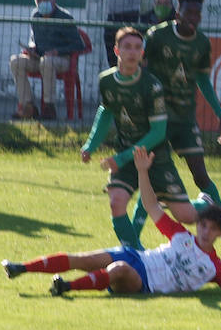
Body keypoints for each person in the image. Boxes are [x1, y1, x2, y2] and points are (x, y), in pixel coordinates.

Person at [3, 146, 221, 298]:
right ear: (197, 224)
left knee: (117, 269)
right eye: (203, 225)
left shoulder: (214, 266)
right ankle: (20, 268)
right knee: (83, 258)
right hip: (138, 258)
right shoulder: (181, 235)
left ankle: (66, 287)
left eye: (212, 229)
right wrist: (142, 171)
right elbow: (151, 206)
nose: (206, 232)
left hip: (146, 283)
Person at [81, 25, 198, 248]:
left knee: (187, 216)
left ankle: (203, 203)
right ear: (116, 51)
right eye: (127, 47)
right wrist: (90, 145)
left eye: (137, 48)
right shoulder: (106, 81)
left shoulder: (151, 86)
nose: (133, 52)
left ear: (142, 53)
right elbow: (106, 112)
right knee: (116, 202)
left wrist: (122, 158)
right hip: (125, 154)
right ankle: (137, 255)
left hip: (155, 157)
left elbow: (158, 133)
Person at [142, 0, 221, 255]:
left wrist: (220, 114)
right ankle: (134, 238)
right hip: (158, 118)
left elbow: (203, 81)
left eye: (198, 13)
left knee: (201, 176)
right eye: (189, 12)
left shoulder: (202, 43)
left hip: (185, 119)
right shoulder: (157, 36)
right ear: (178, 13)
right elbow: (143, 71)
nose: (194, 18)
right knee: (151, 173)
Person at [9, 0, 86, 120]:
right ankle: (28, 107)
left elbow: (78, 45)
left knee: (47, 62)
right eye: (39, 0)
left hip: (62, 60)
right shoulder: (35, 15)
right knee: (16, 61)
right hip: (38, 58)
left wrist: (57, 51)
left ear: (54, 0)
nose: (43, 3)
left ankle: (49, 107)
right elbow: (34, 38)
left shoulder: (65, 17)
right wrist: (32, 47)